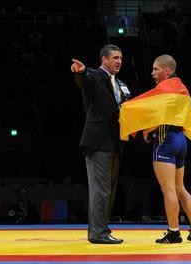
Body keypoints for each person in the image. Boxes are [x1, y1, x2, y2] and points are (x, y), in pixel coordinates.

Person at [119, 55, 191, 243]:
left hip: (165, 142)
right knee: (179, 187)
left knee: (168, 189)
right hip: (181, 141)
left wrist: (142, 126)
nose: (153, 73)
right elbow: (172, 114)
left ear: (167, 71)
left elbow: (152, 111)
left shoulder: (163, 89)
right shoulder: (182, 89)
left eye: (156, 69)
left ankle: (174, 232)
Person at [70, 44, 130, 244]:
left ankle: (102, 228)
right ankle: (97, 233)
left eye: (120, 58)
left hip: (115, 143)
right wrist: (81, 71)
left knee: (108, 191)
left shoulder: (119, 83)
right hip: (98, 142)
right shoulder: (95, 76)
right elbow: (84, 79)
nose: (119, 61)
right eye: (115, 57)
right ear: (104, 59)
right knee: (100, 190)